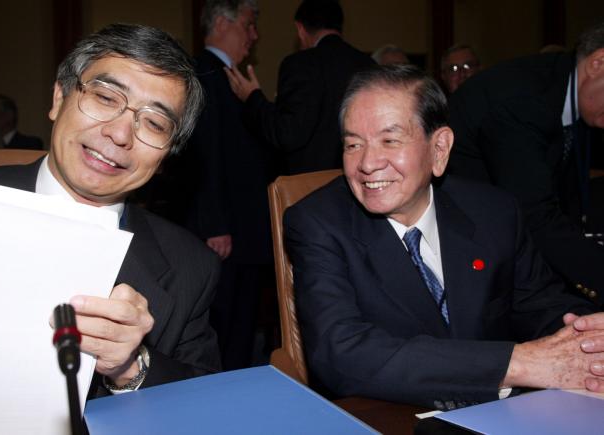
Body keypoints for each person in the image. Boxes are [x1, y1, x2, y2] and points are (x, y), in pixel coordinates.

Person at [284, 64, 604, 410]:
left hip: (505, 414)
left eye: (389, 140)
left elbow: (542, 304)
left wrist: (588, 341)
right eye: (352, 144)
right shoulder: (318, 223)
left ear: (439, 149)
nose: (367, 163)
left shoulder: (493, 212)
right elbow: (341, 354)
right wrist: (520, 363)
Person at [0, 24, 221, 398]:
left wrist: (130, 367)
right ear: (58, 98)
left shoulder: (190, 268)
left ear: (165, 158)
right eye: (106, 98)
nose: (120, 134)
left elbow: (205, 402)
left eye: (155, 123)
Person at [448, 22, 604, 306]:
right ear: (598, 63)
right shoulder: (523, 100)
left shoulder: (566, 91)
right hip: (471, 263)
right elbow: (534, 214)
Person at [184, 0, 274, 370]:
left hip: (243, 230)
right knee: (224, 330)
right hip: (226, 233)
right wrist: (215, 224)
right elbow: (205, 154)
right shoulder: (204, 72)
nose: (254, 36)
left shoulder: (230, 75)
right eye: (249, 25)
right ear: (222, 22)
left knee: (242, 328)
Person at [225, 0, 374, 175]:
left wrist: (252, 98)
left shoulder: (300, 64)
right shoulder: (368, 64)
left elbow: (288, 133)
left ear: (300, 29)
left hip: (309, 188)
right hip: (359, 178)